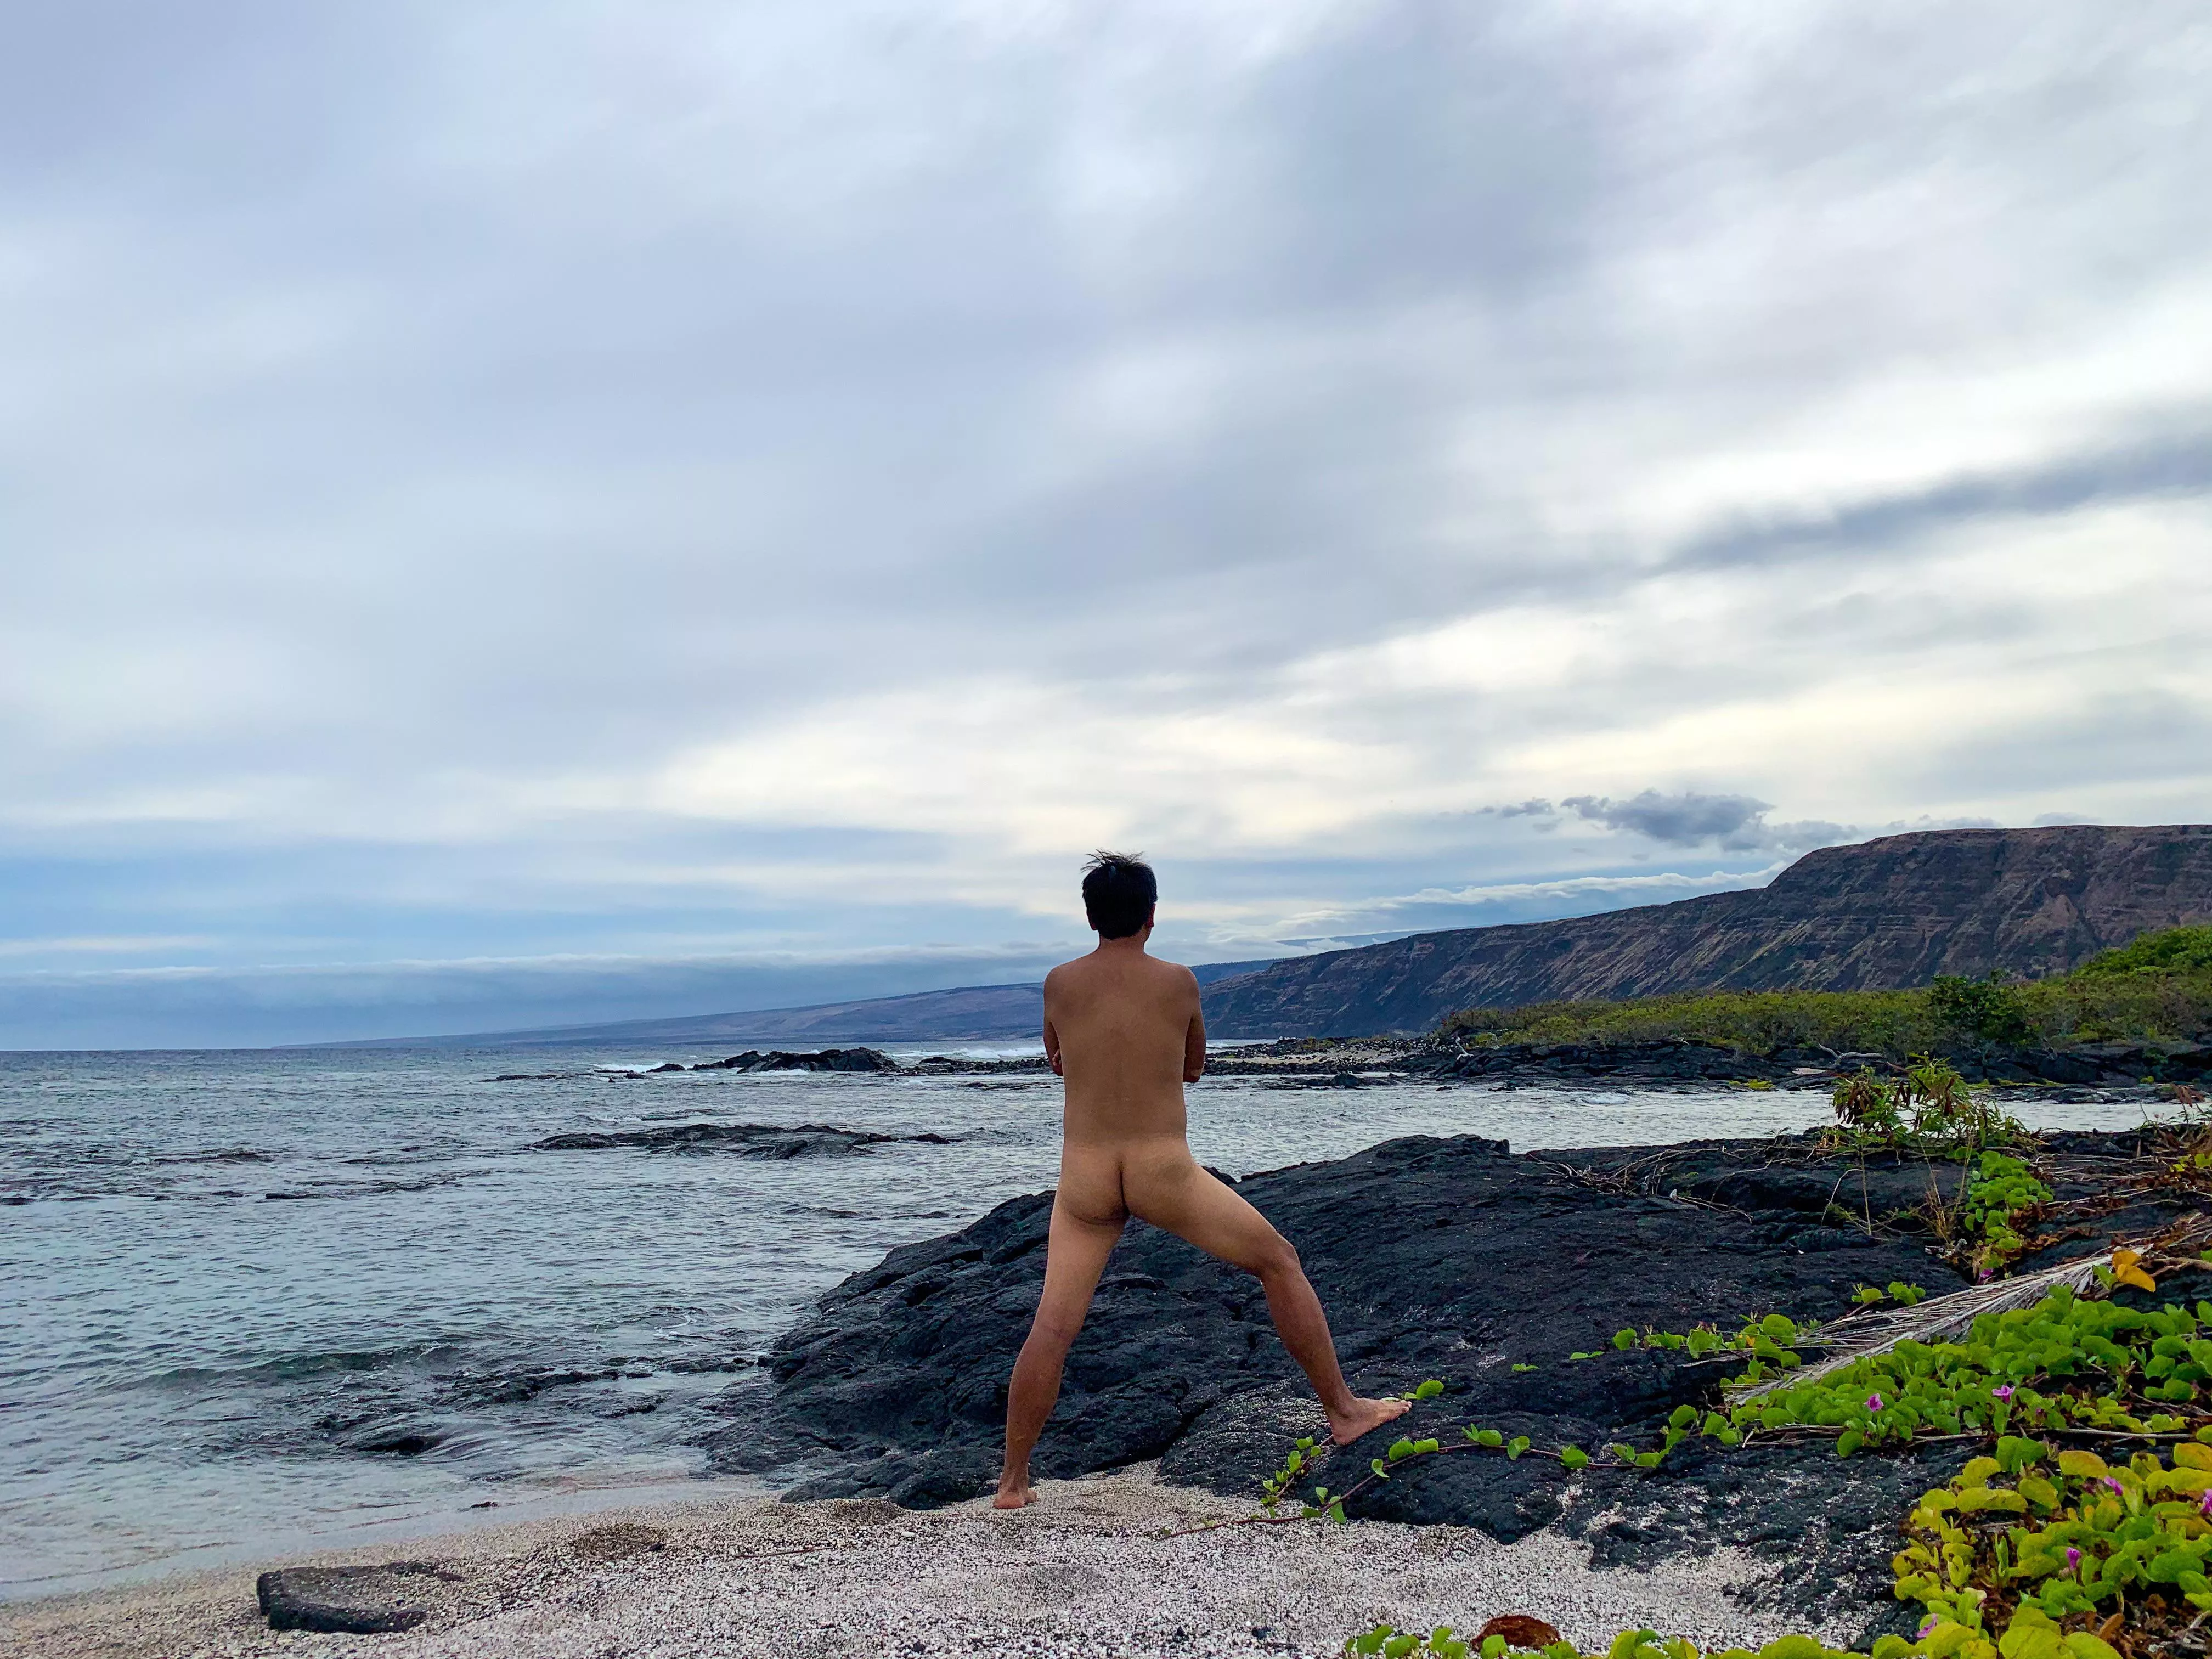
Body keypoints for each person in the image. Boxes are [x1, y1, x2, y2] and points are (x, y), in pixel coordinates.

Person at [994, 851, 1410, 1509]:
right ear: (1152, 915)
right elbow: (1193, 1067)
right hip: (1162, 1171)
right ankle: (1345, 1411)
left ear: (1089, 917)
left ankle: (1013, 1483)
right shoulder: (1179, 982)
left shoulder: (1058, 983)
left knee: (1053, 1328)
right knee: (1278, 1262)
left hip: (1086, 1179)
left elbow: (1057, 1059)